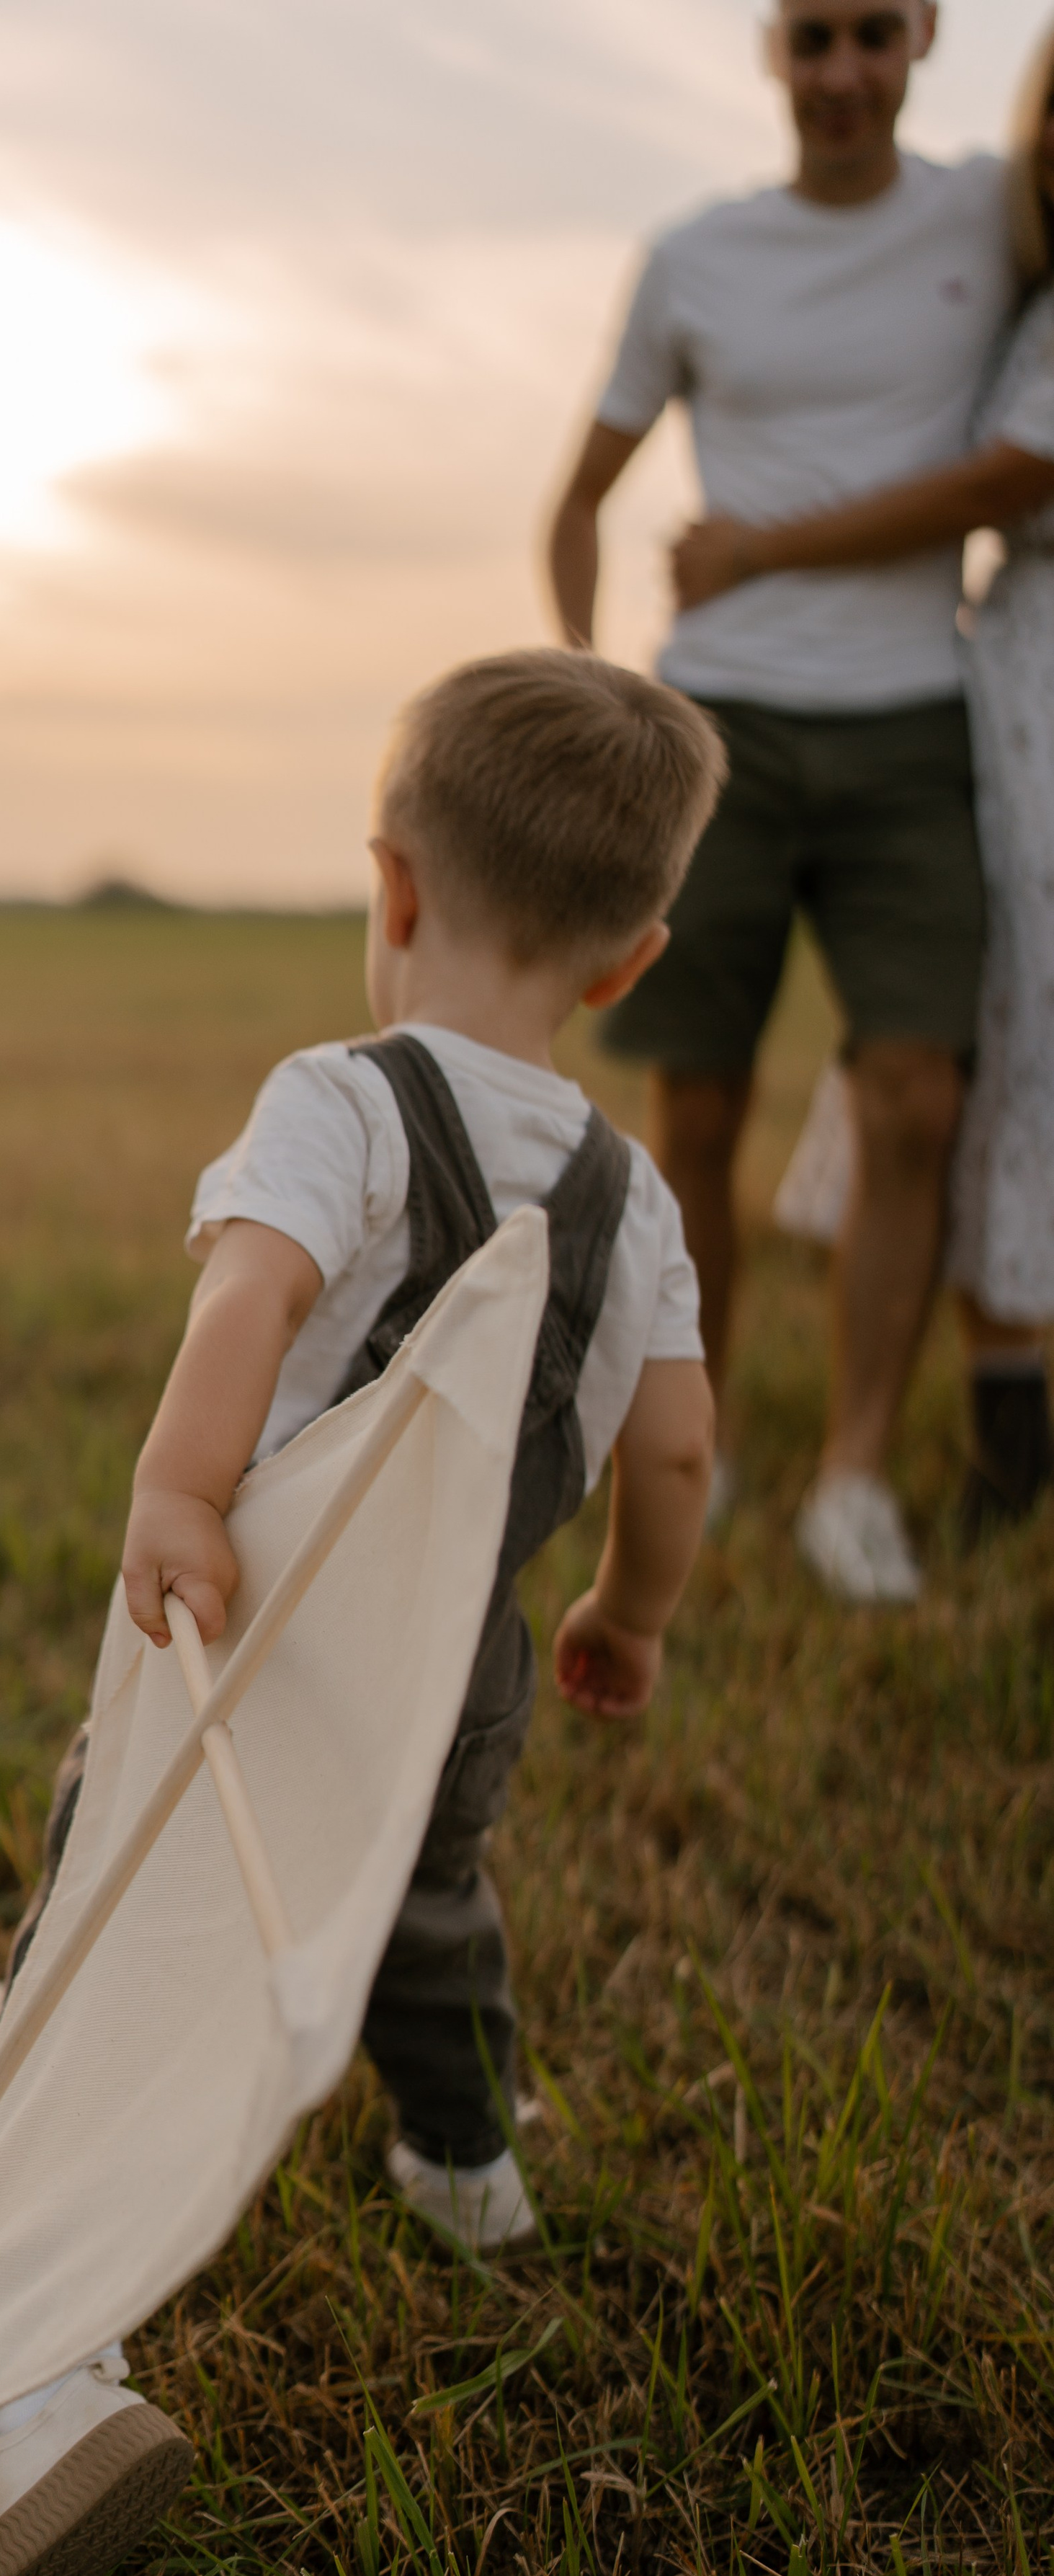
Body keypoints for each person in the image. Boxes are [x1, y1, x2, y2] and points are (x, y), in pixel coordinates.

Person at [0, 652, 723, 2576]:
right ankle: (468, 2164)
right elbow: (680, 1444)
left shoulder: (338, 1101)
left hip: (246, 1641)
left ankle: (54, 2356)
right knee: (421, 1901)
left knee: (117, 1926)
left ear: (392, 889)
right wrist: (630, 1615)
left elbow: (253, 1291)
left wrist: (180, 1486)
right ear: (628, 968)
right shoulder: (633, 1198)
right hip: (460, 1670)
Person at [546, 0, 1025, 1602]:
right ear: (769, 54)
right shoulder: (693, 255)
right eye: (809, 40)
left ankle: (853, 1477)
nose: (839, 74)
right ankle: (700, 1439)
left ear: (922, 42)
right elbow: (579, 501)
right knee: (693, 1112)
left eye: (869, 38)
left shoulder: (987, 210)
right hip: (717, 730)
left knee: (914, 1103)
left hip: (912, 725)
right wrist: (590, 689)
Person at [671, 20, 1054, 1542]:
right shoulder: (1002, 249)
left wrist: (755, 547)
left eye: (868, 33)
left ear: (918, 44)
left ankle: (976, 1425)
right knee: (990, 1044)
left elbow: (994, 482)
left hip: (992, 676)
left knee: (989, 1054)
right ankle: (1004, 1409)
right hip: (996, 681)